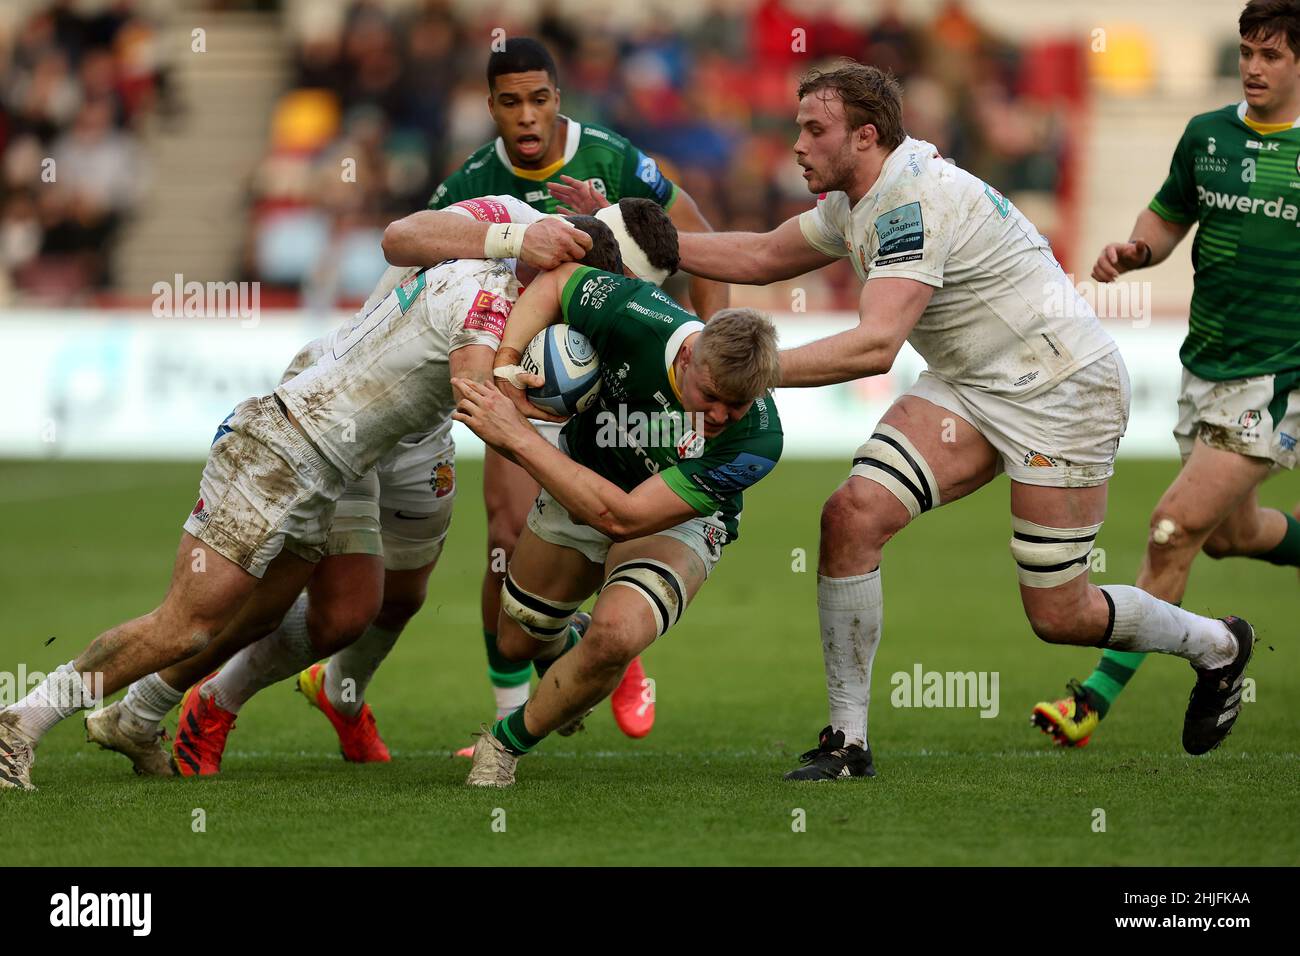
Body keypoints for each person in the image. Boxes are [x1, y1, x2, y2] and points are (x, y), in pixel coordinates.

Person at [662, 61, 1253, 779]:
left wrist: (750, 373)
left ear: (866, 136)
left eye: (815, 130)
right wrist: (648, 247)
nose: (798, 145)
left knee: (1058, 615)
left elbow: (877, 345)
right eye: (798, 128)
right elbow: (758, 254)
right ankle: (847, 743)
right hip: (973, 384)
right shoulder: (860, 195)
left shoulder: (911, 201)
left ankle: (1218, 647)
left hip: (1062, 391)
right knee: (851, 515)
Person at [0, 202, 635, 791]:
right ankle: (19, 722)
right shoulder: (491, 303)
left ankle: (136, 720)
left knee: (281, 613)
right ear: (558, 269)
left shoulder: (487, 276)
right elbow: (474, 395)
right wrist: (549, 439)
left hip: (325, 463)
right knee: (187, 625)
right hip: (280, 450)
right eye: (579, 297)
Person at [384, 37, 729, 742]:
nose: (527, 115)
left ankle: (613, 644)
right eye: (511, 102)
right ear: (491, 108)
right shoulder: (470, 180)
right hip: (529, 379)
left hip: (622, 386)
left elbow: (694, 235)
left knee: (619, 517)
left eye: (539, 99)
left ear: (557, 99)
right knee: (504, 540)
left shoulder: (613, 157)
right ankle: (512, 711)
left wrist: (710, 337)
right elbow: (417, 254)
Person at [1032, 0, 1300, 747]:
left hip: (1278, 379)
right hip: (1207, 366)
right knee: (1227, 536)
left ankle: (1091, 703)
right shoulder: (1207, 136)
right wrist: (1135, 251)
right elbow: (1169, 213)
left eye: (1272, 55)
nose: (1253, 66)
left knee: (1170, 531)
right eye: (1247, 51)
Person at [451, 259, 783, 788]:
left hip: (675, 520)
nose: (720, 417)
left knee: (616, 635)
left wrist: (517, 435)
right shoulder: (635, 315)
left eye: (737, 405)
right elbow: (557, 282)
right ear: (691, 356)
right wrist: (507, 364)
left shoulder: (758, 441)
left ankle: (504, 744)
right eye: (712, 397)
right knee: (517, 643)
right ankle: (579, 643)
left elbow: (624, 518)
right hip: (587, 471)